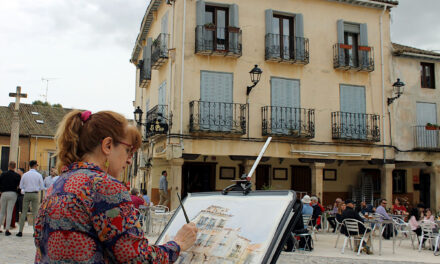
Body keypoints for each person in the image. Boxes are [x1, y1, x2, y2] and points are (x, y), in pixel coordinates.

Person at [34, 110, 197, 263]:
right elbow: (137, 259)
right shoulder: (104, 186)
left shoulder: (60, 183)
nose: (129, 160)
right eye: (128, 150)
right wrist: (178, 244)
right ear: (108, 146)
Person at [16, 160, 45, 237]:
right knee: (35, 213)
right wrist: (36, 187)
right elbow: (42, 187)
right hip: (35, 194)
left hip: (27, 194)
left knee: (23, 212)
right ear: (35, 166)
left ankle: (20, 231)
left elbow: (21, 186)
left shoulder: (25, 175)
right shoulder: (38, 175)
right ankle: (35, 232)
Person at [0, 161, 21, 236]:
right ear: (15, 167)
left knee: (2, 211)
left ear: (8, 166)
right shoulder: (17, 176)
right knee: (9, 212)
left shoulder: (3, 174)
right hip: (13, 193)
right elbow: (19, 186)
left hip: (4, 193)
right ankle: (7, 229)